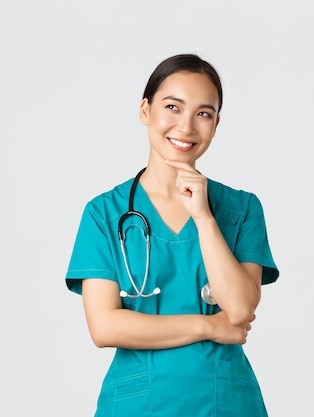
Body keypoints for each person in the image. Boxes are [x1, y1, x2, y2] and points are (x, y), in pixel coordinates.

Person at [65, 53, 280, 417]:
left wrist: (204, 217)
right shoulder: (104, 213)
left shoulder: (241, 209)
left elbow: (241, 307)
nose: (186, 127)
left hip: (225, 403)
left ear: (216, 124)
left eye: (203, 113)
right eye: (173, 107)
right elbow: (104, 326)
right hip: (138, 403)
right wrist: (209, 326)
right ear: (145, 111)